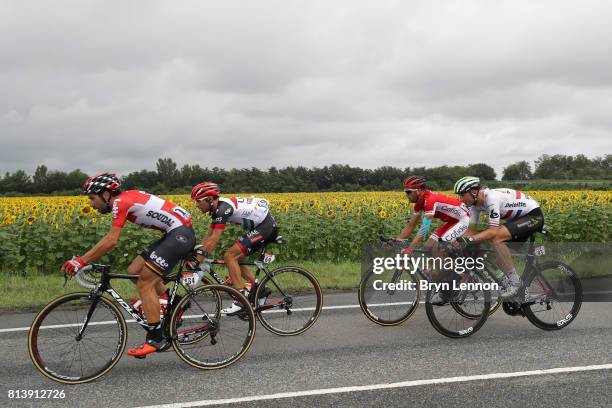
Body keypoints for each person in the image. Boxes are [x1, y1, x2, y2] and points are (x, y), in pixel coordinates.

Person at [61, 173, 196, 357]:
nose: (91, 204)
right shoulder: (124, 198)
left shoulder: (120, 202)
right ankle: (175, 304)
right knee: (134, 271)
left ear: (106, 194)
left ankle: (157, 339)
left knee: (145, 283)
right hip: (175, 233)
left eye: (92, 198)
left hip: (179, 235)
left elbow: (111, 240)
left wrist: (81, 260)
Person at [188, 182, 278, 314]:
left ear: (209, 199)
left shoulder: (222, 209)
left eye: (198, 201)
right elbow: (208, 236)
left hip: (265, 227)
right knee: (236, 259)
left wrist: (197, 260)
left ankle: (241, 300)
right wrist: (197, 252)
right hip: (261, 226)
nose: (196, 205)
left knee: (230, 256)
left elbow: (214, 239)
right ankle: (259, 288)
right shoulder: (217, 209)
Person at [453, 176, 544, 297]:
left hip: (533, 217)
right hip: (518, 220)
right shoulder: (475, 206)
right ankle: (521, 293)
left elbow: (493, 231)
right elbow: (471, 230)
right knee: (500, 260)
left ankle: (516, 284)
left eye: (462, 195)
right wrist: (456, 242)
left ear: (473, 192)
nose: (460, 199)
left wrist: (470, 239)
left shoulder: (491, 198)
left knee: (495, 238)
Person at [397, 176, 472, 304]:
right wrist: (397, 241)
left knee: (439, 247)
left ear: (419, 190)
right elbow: (411, 225)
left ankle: (453, 279)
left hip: (462, 220)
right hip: (452, 221)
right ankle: (442, 274)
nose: (407, 195)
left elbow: (425, 229)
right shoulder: (419, 203)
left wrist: (410, 248)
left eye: (409, 192)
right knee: (427, 247)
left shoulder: (429, 200)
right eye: (406, 192)